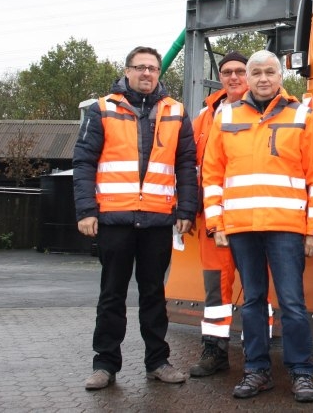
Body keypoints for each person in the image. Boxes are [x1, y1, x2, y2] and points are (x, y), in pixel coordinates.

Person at [201, 50, 313, 403]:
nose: (262, 78)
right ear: (249, 77)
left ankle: (301, 372)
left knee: (292, 302)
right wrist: (216, 223)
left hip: (286, 227)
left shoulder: (301, 114)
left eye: (269, 71)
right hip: (242, 227)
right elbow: (211, 174)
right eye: (255, 72)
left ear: (280, 75)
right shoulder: (225, 115)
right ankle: (256, 371)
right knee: (253, 301)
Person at [74, 46, 198, 390]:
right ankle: (105, 365)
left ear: (159, 73)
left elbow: (187, 165)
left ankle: (158, 361)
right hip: (114, 219)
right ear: (126, 71)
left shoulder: (176, 111)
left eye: (153, 68)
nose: (147, 73)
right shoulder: (103, 109)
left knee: (154, 295)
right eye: (140, 67)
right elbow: (84, 162)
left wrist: (186, 210)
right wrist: (86, 211)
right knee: (111, 295)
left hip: (158, 220)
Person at [188, 51, 257, 377]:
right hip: (214, 220)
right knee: (215, 291)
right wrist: (189, 209)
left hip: (253, 217)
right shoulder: (205, 116)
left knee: (257, 288)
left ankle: (257, 356)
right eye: (227, 71)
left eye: (240, 71)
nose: (233, 77)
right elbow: (191, 167)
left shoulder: (270, 110)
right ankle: (214, 352)